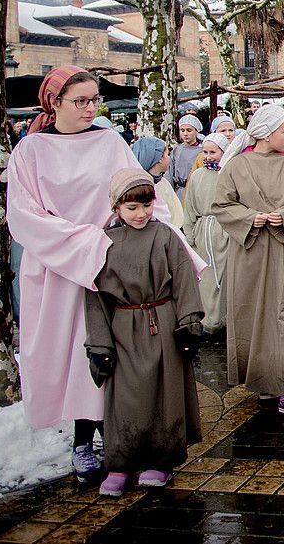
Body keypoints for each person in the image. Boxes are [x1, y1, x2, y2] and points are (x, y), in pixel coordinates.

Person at [7, 66, 205, 483]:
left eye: (94, 100)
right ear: (54, 103)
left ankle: (120, 438)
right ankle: (83, 442)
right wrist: (82, 243)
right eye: (80, 101)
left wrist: (165, 243)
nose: (90, 108)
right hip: (59, 264)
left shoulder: (110, 141)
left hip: (114, 262)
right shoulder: (30, 151)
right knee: (76, 355)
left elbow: (139, 190)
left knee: (116, 355)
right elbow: (24, 215)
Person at [85, 168, 204, 497]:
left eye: (147, 205)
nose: (141, 214)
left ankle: (162, 461)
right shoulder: (103, 242)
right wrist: (99, 343)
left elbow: (182, 279)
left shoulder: (165, 235)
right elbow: (95, 296)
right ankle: (121, 462)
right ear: (117, 207)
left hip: (163, 322)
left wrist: (189, 323)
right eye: (132, 207)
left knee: (165, 394)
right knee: (124, 397)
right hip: (124, 327)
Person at [212, 104, 284, 415]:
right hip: (251, 252)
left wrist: (283, 217)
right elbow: (221, 204)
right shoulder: (237, 166)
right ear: (265, 132)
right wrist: (249, 218)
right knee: (254, 316)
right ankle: (263, 382)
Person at [182, 134, 231, 333]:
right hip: (204, 232)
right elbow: (189, 207)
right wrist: (190, 234)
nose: (209, 156)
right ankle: (208, 320)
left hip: (226, 231)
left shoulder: (229, 174)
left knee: (226, 277)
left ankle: (225, 318)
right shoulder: (197, 176)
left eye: (213, 152)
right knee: (207, 279)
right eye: (205, 152)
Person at [131, 136, 185, 226]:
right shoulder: (145, 187)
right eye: (167, 154)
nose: (169, 158)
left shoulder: (162, 182)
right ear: (159, 158)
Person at [166, 115, 204, 196]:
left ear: (196, 131)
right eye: (182, 130)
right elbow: (170, 173)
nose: (185, 134)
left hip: (196, 192)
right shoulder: (177, 150)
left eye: (189, 130)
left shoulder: (202, 151)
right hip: (179, 192)